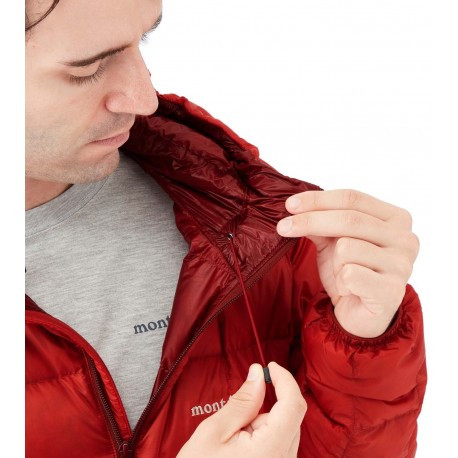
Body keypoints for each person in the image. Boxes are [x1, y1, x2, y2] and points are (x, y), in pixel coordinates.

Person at [25, 0, 427, 457]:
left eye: (143, 40)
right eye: (89, 68)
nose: (145, 98)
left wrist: (361, 348)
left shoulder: (244, 226)